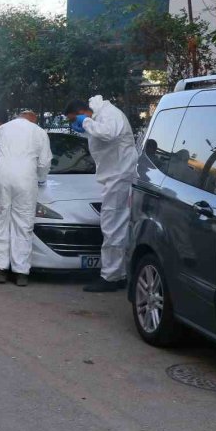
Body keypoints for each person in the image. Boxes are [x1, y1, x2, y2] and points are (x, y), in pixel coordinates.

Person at [65, 96, 138, 292]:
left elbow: (109, 133)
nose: (75, 125)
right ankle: (119, 273)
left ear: (82, 112)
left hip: (119, 176)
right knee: (117, 227)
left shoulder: (108, 114)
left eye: (74, 120)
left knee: (112, 227)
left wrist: (86, 122)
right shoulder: (100, 115)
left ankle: (111, 277)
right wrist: (87, 124)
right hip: (115, 176)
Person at [0, 107, 52, 287]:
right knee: (23, 224)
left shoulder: (1, 129)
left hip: (1, 176)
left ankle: (0, 269)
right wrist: (40, 178)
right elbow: (44, 162)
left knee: (1, 221)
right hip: (25, 178)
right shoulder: (39, 132)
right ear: (32, 119)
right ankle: (21, 272)